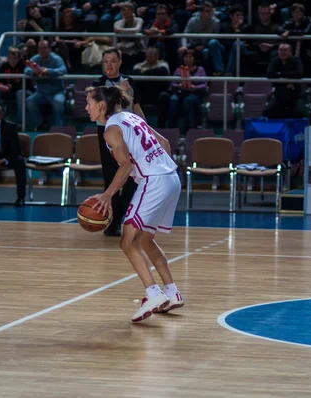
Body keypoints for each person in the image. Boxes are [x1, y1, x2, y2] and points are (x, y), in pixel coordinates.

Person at [85, 85, 184, 323]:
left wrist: (107, 195)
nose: (86, 107)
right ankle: (172, 292)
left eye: (88, 102)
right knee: (145, 240)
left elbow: (127, 166)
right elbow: (165, 144)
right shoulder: (130, 116)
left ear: (101, 105)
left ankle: (153, 294)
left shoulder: (110, 130)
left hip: (154, 181)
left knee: (127, 241)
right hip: (171, 177)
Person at [91, 48, 144, 237]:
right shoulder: (99, 84)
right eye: (106, 61)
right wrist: (119, 90)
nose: (109, 65)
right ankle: (112, 223)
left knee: (132, 177)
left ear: (120, 63)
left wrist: (145, 130)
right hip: (107, 133)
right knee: (110, 178)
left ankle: (119, 216)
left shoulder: (129, 81)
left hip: (129, 133)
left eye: (113, 61)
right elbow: (102, 108)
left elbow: (136, 108)